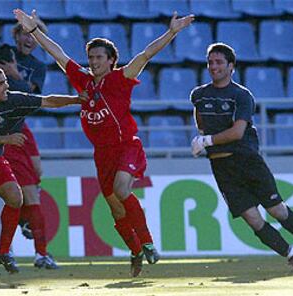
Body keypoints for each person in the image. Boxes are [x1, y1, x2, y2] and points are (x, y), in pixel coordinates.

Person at [14, 8, 195, 277]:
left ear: (111, 60)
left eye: (99, 57)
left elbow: (147, 54)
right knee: (115, 208)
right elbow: (57, 53)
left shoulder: (121, 78)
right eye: (91, 57)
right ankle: (135, 250)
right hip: (102, 155)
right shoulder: (83, 80)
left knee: (122, 189)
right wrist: (32, 30)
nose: (93, 61)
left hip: (126, 147)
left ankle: (148, 243)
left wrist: (171, 32)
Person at [189, 42, 293, 272]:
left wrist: (207, 141)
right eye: (210, 62)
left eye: (219, 62)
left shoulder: (241, 95)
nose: (214, 66)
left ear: (231, 66)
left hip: (247, 161)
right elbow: (201, 122)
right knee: (252, 219)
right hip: (222, 166)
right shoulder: (199, 95)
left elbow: (237, 132)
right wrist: (201, 138)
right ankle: (292, 255)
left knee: (276, 210)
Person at [0, 66, 86, 281]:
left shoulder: (12, 100)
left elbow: (48, 100)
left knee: (15, 197)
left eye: (6, 82)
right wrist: (7, 139)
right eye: (1, 83)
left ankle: (3, 252)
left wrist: (76, 100)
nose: (6, 87)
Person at [0, 18, 60, 271]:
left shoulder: (37, 66)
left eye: (35, 36)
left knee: (35, 173)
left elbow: (31, 99)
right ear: (16, 35)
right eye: (25, 34)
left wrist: (14, 76)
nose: (29, 39)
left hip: (18, 128)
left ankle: (20, 225)